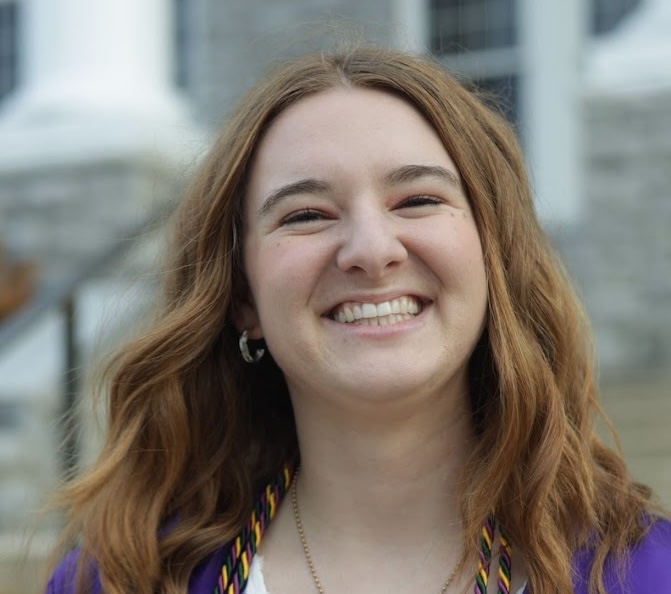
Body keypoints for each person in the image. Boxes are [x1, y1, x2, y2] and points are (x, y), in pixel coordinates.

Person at [46, 44, 671, 594]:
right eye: (306, 214)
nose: (372, 250)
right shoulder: (117, 581)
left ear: (493, 259)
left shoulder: (649, 573)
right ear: (242, 297)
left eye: (418, 200)